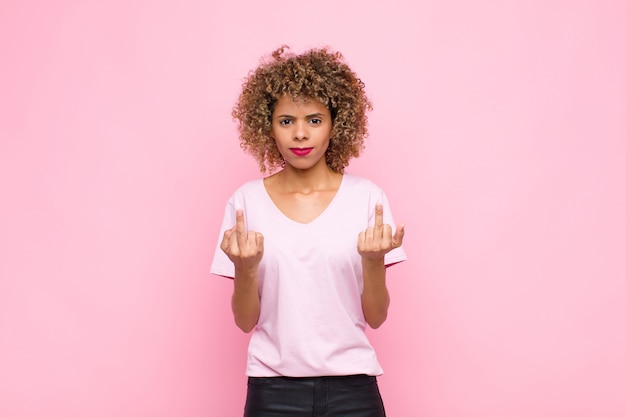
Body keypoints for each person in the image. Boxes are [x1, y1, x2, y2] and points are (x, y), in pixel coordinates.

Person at [210, 45, 407, 417]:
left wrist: (373, 262)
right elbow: (244, 321)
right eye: (286, 121)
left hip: (354, 390)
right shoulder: (245, 203)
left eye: (314, 120)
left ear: (337, 123)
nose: (300, 134)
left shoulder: (367, 198)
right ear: (267, 125)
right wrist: (246, 269)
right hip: (272, 391)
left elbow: (376, 318)